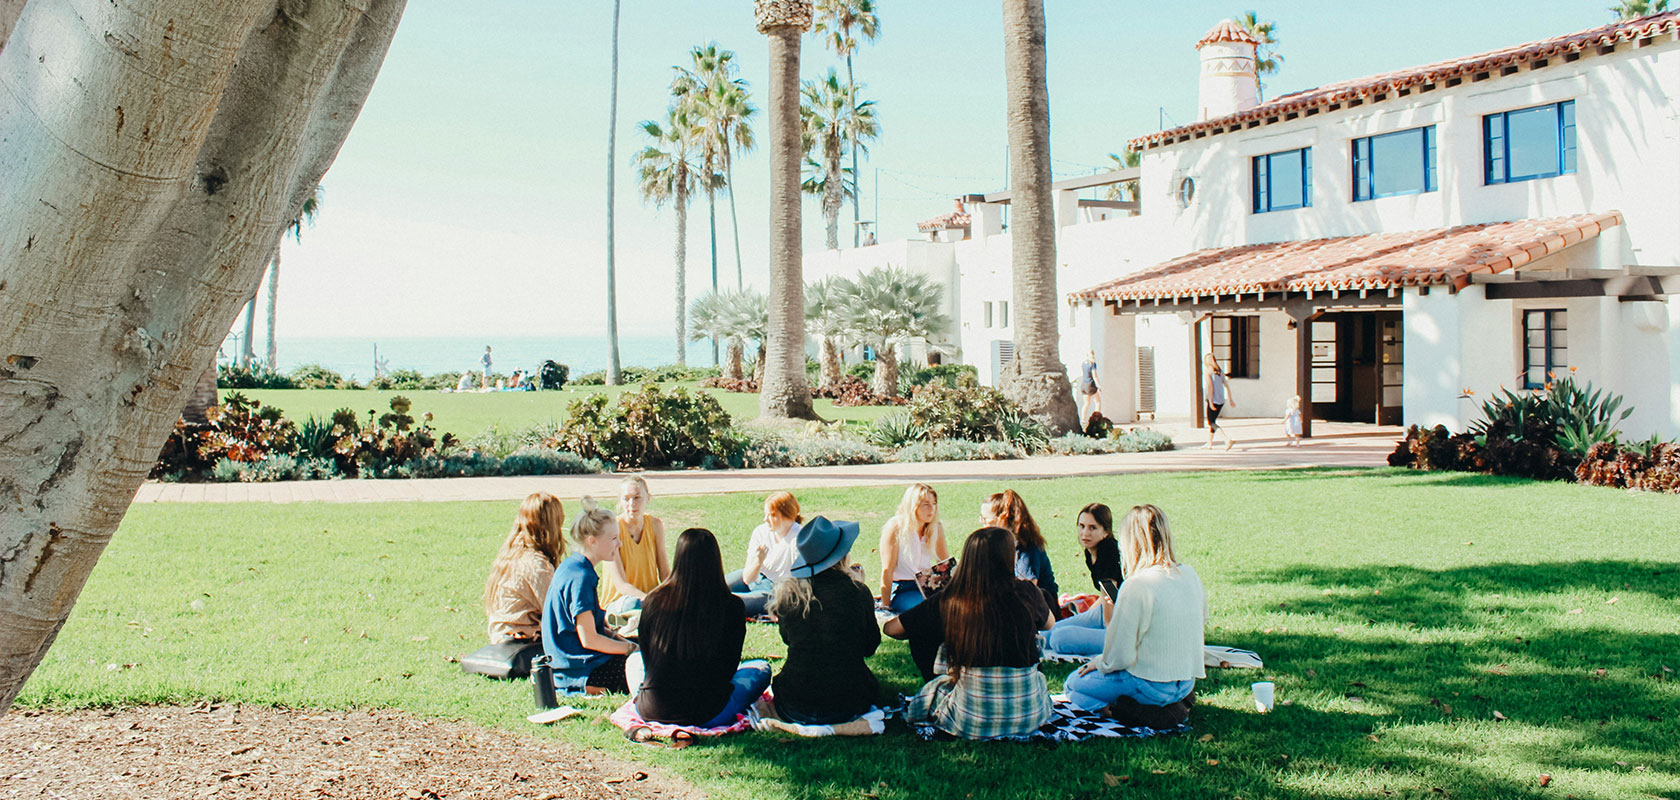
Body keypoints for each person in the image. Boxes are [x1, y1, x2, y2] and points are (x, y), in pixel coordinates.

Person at [896, 527, 1054, 739]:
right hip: (1030, 713)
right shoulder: (1026, 591)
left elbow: (893, 629)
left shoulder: (952, 599)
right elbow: (1049, 623)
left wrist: (938, 618)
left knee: (920, 631)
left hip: (970, 718)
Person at [1064, 504, 1207, 713]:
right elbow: (1202, 620)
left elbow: (1120, 656)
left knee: (1073, 684)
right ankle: (1165, 706)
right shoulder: (1190, 574)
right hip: (1186, 682)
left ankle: (1128, 712)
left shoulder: (1137, 585)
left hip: (1150, 684)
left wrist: (1100, 663)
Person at [624, 528, 771, 727]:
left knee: (633, 661)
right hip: (709, 712)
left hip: (652, 708)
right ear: (715, 560)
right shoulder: (731, 606)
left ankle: (642, 701)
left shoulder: (654, 600)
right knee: (761, 668)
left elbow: (647, 659)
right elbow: (729, 667)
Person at [769, 516, 881, 725]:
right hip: (849, 702)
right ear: (842, 555)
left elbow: (787, 639)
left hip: (794, 701)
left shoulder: (789, 595)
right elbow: (869, 646)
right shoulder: (857, 592)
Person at [540, 498, 637, 695]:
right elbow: (589, 639)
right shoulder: (580, 577)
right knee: (648, 663)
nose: (619, 544)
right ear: (592, 540)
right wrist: (629, 649)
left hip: (571, 664)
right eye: (613, 539)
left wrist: (626, 642)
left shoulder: (573, 566)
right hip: (580, 669)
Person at [482, 492, 566, 644]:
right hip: (520, 640)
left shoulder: (512, 554)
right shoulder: (535, 565)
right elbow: (559, 614)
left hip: (503, 636)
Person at [1046, 503, 1123, 656]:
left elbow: (1111, 597)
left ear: (1106, 532)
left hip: (1121, 620)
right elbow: (1105, 596)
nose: (1084, 533)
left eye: (1092, 528)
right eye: (1081, 526)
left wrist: (1110, 635)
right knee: (1046, 634)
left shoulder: (1109, 551)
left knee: (1059, 639)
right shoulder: (1091, 551)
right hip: (1103, 612)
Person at [597, 475, 670, 619]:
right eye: (626, 498)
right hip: (621, 604)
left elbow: (665, 574)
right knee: (633, 606)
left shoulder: (655, 525)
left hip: (649, 601)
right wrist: (650, 600)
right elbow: (621, 585)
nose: (632, 504)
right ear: (620, 501)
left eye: (637, 497)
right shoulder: (611, 529)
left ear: (647, 498)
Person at [982, 490, 1060, 617]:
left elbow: (1027, 592)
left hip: (1041, 610)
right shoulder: (997, 546)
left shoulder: (1027, 550)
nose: (982, 524)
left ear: (1002, 519)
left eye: (986, 519)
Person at [877, 483, 950, 614]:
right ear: (913, 506)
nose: (931, 509)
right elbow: (887, 570)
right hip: (902, 588)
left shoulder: (936, 528)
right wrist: (885, 606)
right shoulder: (895, 527)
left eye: (934, 504)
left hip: (928, 586)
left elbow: (945, 565)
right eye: (926, 504)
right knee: (925, 611)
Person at [726, 492, 802, 617]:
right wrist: (758, 561)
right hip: (757, 578)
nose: (765, 519)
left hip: (776, 590)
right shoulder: (760, 532)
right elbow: (747, 578)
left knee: (730, 603)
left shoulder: (798, 537)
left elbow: (799, 581)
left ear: (786, 516)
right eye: (765, 514)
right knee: (714, 585)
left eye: (771, 515)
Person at [1204, 353, 1236, 451]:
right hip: (1221, 401)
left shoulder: (1208, 371)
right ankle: (1209, 444)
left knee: (1211, 422)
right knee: (1213, 421)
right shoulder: (1220, 371)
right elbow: (1226, 385)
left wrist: (1210, 402)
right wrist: (1230, 399)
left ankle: (1226, 439)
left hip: (1213, 400)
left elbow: (1210, 387)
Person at [1080, 351, 1103, 422]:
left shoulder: (1083, 363)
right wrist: (1099, 386)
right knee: (1097, 402)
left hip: (1084, 385)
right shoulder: (1092, 364)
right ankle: (1096, 419)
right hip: (1090, 385)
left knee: (1086, 403)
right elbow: (1095, 376)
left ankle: (1083, 419)